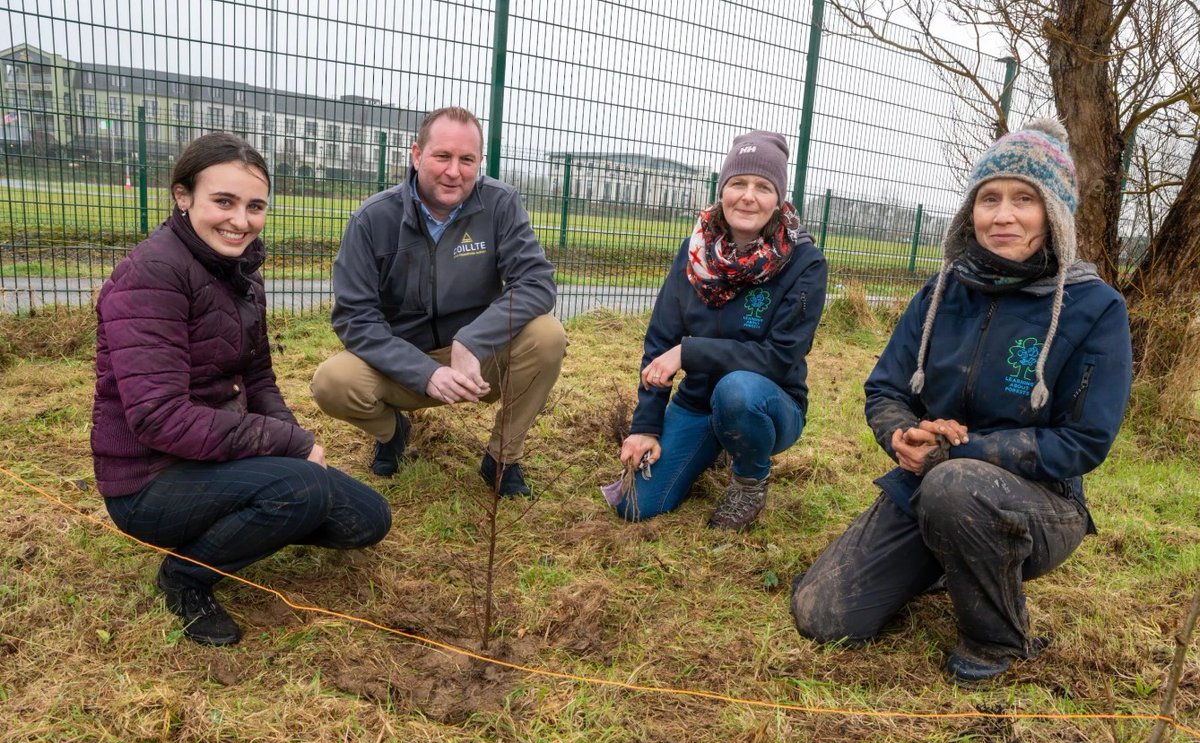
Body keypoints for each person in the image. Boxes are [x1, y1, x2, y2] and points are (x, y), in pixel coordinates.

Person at [789, 120, 1133, 681]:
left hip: (1040, 503)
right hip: (931, 480)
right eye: (988, 198)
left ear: (1054, 213)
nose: (1003, 216)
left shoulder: (1095, 308)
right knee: (824, 616)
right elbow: (885, 387)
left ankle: (997, 642)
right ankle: (949, 554)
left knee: (954, 486)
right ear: (970, 211)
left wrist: (961, 450)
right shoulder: (940, 292)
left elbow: (1084, 440)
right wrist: (901, 434)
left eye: (1024, 199)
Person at [91, 133, 392, 647]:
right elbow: (159, 418)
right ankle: (186, 577)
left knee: (367, 519)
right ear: (183, 196)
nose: (241, 220)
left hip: (218, 454)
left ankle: (245, 517)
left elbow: (258, 377)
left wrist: (292, 443)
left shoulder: (242, 272)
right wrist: (291, 446)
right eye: (224, 201)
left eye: (255, 206)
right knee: (301, 489)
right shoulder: (151, 275)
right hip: (150, 479)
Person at [311, 106, 566, 498]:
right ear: (417, 155)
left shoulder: (500, 203)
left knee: (548, 335)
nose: (454, 171)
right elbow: (355, 319)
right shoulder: (372, 219)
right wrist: (425, 372)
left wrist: (473, 340)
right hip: (402, 364)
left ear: (480, 162)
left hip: (477, 362)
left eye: (467, 160)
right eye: (442, 156)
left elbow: (537, 281)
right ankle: (394, 432)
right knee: (332, 382)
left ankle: (502, 457)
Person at [604, 131, 828, 531]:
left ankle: (749, 479)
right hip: (698, 403)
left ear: (779, 199)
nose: (748, 197)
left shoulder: (804, 263)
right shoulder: (694, 253)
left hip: (768, 403)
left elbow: (779, 357)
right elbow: (660, 341)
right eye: (738, 183)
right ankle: (719, 442)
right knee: (634, 505)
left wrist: (688, 352)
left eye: (763, 187)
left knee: (736, 391)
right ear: (722, 190)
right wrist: (646, 426)